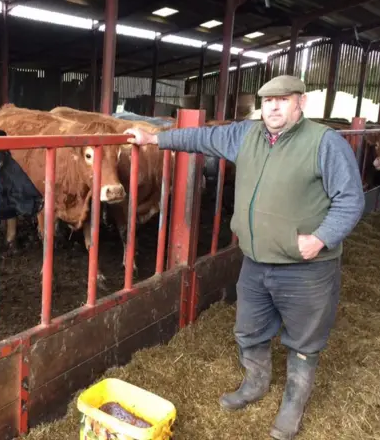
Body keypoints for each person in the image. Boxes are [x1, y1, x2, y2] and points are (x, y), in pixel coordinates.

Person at [125, 75, 365, 440]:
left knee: (304, 340)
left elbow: (351, 199)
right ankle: (255, 384)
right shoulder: (246, 135)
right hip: (255, 260)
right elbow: (200, 137)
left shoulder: (324, 143)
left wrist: (320, 239)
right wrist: (154, 138)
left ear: (300, 103)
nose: (273, 107)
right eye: (267, 101)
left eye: (283, 100)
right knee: (249, 329)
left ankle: (292, 406)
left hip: (307, 268)